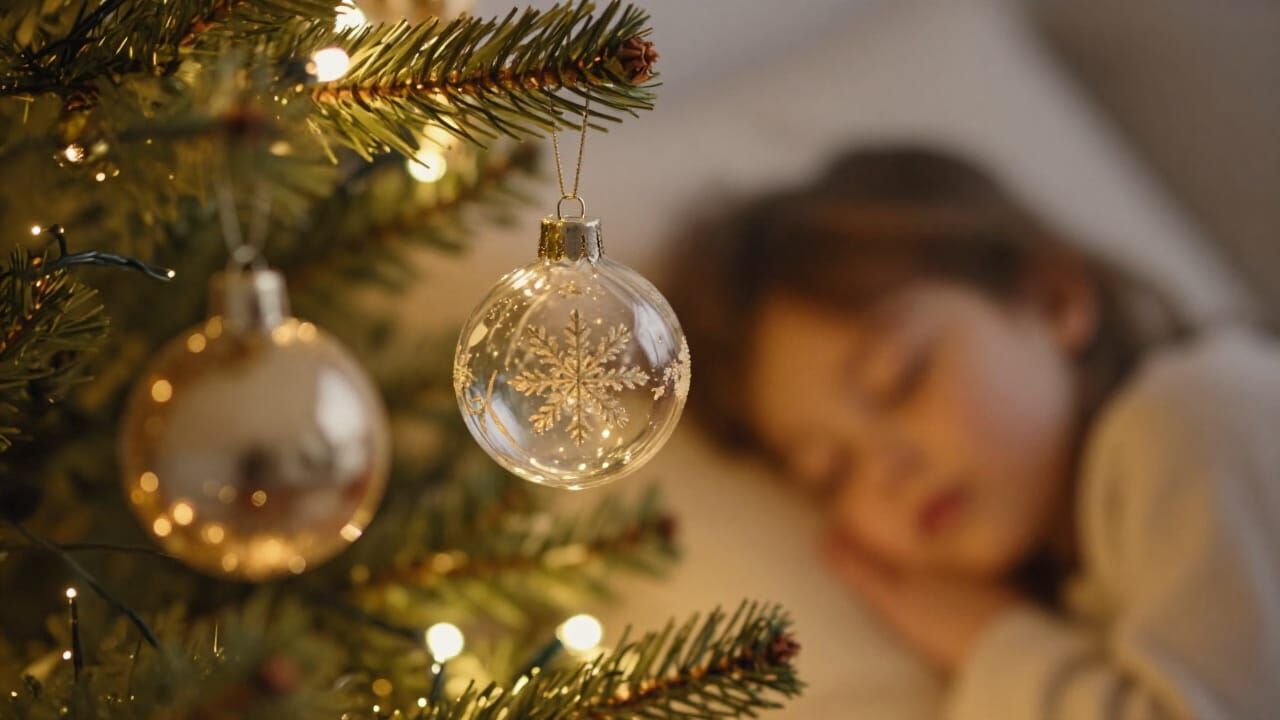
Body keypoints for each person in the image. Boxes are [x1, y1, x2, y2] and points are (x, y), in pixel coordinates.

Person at [668, 146, 1280, 718]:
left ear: (1054, 300)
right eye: (831, 471)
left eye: (899, 379)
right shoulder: (1081, 581)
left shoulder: (1192, 417)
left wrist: (990, 641)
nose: (885, 468)